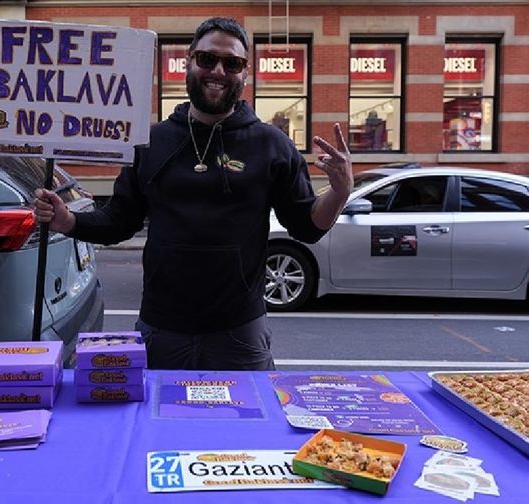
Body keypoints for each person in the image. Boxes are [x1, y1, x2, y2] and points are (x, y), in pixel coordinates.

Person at [33, 17, 353, 371]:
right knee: (158, 424)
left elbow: (306, 226)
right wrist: (69, 221)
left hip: (239, 331)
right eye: (207, 59)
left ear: (245, 73)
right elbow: (119, 221)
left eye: (232, 63)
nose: (218, 70)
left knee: (247, 425)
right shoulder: (150, 143)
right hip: (162, 327)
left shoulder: (271, 144)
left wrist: (339, 193)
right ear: (189, 60)